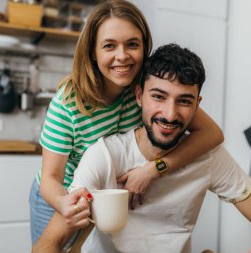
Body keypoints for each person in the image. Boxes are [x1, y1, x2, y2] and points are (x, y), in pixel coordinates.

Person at [33, 44, 251, 253]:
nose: (169, 114)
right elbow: (47, 244)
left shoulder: (208, 157)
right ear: (138, 96)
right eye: (158, 96)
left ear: (197, 105)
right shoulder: (105, 155)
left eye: (184, 101)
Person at [29, 0, 224, 247]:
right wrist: (64, 204)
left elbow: (212, 134)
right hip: (64, 196)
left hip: (108, 192)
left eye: (132, 44)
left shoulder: (150, 90)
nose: (122, 56)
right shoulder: (68, 102)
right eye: (109, 45)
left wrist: (155, 169)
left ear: (144, 47)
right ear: (93, 51)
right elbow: (50, 178)